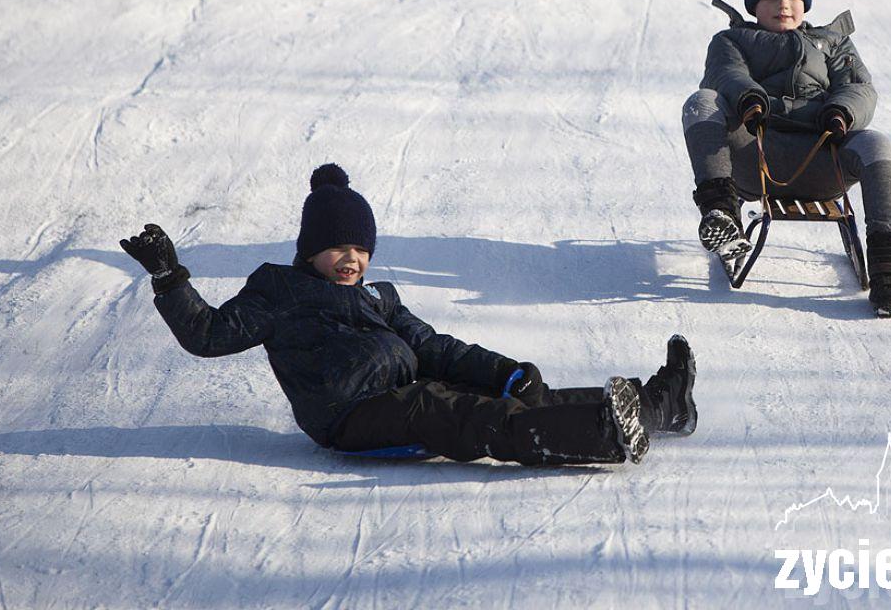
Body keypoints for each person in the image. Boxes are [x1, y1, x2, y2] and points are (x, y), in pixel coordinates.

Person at [119, 163, 697, 466]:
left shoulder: (381, 299)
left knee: (500, 395)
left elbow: (435, 346)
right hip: (349, 417)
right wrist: (170, 278)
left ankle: (660, 406)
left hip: (407, 389)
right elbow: (209, 335)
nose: (352, 259)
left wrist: (504, 371)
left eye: (361, 249)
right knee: (463, 415)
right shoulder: (279, 291)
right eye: (338, 248)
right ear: (309, 250)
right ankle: (601, 437)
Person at [682, 0, 891, 317]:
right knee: (701, 102)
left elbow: (860, 88)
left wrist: (841, 112)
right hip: (754, 158)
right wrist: (748, 99)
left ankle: (888, 272)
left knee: (878, 145)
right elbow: (726, 74)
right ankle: (720, 212)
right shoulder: (731, 41)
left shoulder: (833, 43)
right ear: (753, 3)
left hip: (824, 160)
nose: (783, 4)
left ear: (806, 0)